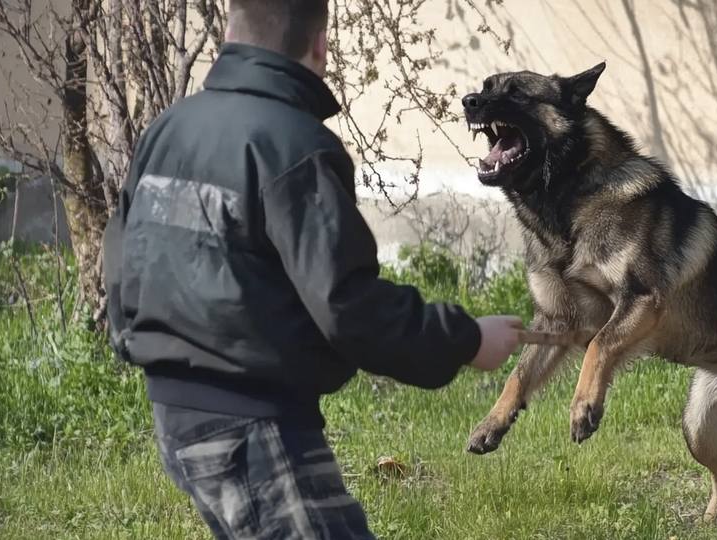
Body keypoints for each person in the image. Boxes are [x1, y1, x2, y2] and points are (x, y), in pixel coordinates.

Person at [99, 0, 525, 538]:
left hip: (173, 416)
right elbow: (350, 307)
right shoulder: (295, 145)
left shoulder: (168, 128)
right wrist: (466, 339)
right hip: (255, 427)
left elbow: (120, 256)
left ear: (231, 30)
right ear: (319, 46)